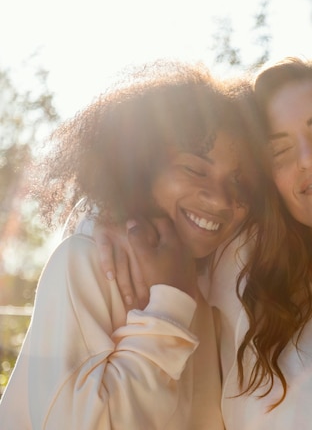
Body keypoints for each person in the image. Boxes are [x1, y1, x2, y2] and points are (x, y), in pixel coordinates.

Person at [101, 57, 312, 429]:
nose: (308, 159)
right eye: (279, 151)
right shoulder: (242, 260)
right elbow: (164, 197)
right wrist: (111, 213)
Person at [0, 60, 268, 429]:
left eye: (239, 181)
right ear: (142, 166)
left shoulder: (216, 282)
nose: (221, 199)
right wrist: (167, 309)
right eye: (195, 169)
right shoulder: (87, 261)